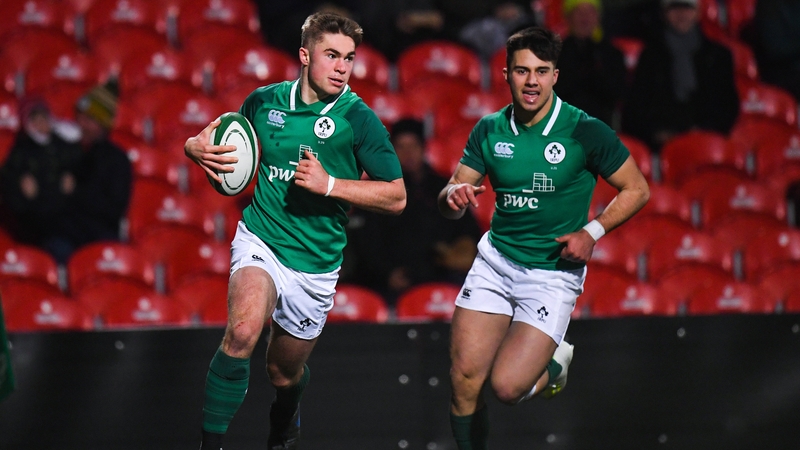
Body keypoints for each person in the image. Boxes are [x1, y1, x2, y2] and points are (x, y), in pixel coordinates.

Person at [184, 12, 406, 450]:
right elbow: (225, 145)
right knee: (242, 331)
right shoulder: (263, 102)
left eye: (349, 58)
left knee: (282, 373)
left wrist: (330, 185)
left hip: (315, 264)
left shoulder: (358, 119)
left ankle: (285, 419)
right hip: (262, 239)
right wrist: (193, 147)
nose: (342, 67)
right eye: (331, 55)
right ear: (305, 56)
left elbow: (397, 196)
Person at [438, 27, 649, 449]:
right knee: (463, 379)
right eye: (522, 71)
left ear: (555, 75)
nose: (531, 81)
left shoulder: (584, 130)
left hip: (551, 274)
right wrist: (453, 197)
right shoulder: (489, 129)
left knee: (506, 388)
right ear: (506, 75)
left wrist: (592, 232)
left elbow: (637, 188)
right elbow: (450, 195)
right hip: (495, 263)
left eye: (541, 71)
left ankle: (554, 366)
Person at [346, 118, 481, 305]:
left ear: (424, 148)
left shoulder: (444, 188)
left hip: (439, 277)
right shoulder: (376, 188)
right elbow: (363, 242)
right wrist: (387, 274)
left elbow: (468, 233)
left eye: (413, 146)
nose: (408, 153)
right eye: (401, 146)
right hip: (386, 282)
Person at [621, 0, 739, 151]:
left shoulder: (719, 56)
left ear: (697, 13)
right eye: (674, 9)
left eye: (687, 8)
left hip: (708, 141)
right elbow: (638, 106)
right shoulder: (650, 57)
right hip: (662, 144)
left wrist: (703, 130)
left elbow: (728, 105)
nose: (681, 14)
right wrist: (658, 133)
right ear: (664, 14)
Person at [51, 80, 132, 261]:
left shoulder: (117, 160)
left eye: (89, 120)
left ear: (103, 124)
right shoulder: (62, 151)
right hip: (65, 236)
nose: (82, 124)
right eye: (80, 117)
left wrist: (76, 192)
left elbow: (114, 209)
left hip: (100, 236)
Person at [0, 96, 81, 263]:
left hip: (66, 219)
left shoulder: (64, 146)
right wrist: (21, 188)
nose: (41, 123)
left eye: (44, 118)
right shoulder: (20, 151)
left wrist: (73, 179)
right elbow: (8, 186)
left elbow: (84, 171)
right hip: (32, 224)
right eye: (36, 119)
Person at [555, 0, 627, 128]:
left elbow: (616, 94)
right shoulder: (555, 54)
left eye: (590, 12)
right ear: (569, 17)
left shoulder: (612, 54)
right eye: (579, 12)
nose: (585, 18)